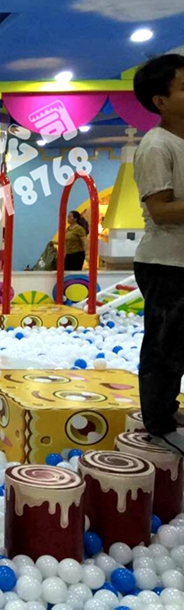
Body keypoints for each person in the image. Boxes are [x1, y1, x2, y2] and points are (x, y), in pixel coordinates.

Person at [132, 53, 184, 455]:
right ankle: (158, 421)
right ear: (161, 101)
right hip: (166, 262)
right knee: (165, 345)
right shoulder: (156, 145)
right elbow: (161, 209)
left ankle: (168, 409)